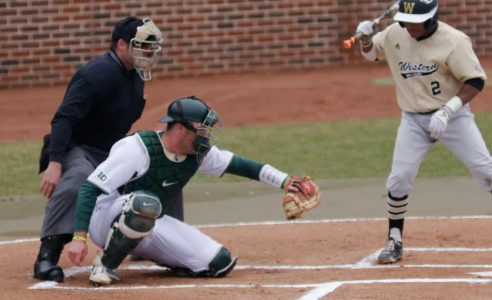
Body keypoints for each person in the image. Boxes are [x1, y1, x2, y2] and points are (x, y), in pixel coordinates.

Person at [354, 0, 492, 264]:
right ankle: (394, 240)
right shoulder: (397, 32)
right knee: (399, 178)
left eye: (413, 23)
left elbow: (475, 81)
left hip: (452, 117)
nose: (407, 27)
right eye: (404, 22)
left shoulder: (454, 41)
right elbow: (374, 55)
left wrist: (447, 111)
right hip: (413, 118)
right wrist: (365, 41)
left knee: (487, 170)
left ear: (430, 20)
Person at [66, 95, 314, 286]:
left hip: (148, 221)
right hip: (105, 218)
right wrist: (79, 238)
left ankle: (157, 254)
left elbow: (240, 165)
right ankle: (104, 263)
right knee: (145, 203)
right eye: (202, 129)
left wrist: (284, 181)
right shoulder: (136, 148)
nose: (206, 136)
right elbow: (89, 188)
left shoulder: (198, 153)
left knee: (218, 263)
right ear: (181, 128)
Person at [33, 16, 185, 283]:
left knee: (163, 169)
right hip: (79, 147)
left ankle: (162, 245)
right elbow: (63, 119)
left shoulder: (135, 74)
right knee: (77, 181)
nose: (149, 53)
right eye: (143, 46)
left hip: (112, 148)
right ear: (122, 45)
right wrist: (55, 163)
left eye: (151, 47)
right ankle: (47, 257)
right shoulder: (96, 74)